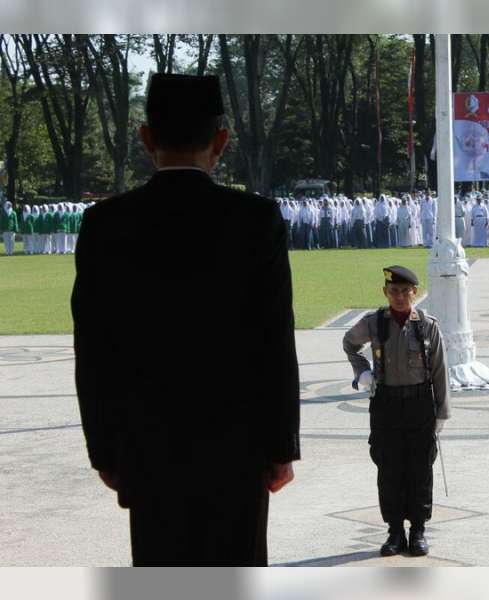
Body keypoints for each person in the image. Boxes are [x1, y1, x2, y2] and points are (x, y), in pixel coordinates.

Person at [71, 74, 300, 566]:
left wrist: (105, 452)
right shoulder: (255, 220)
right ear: (221, 141)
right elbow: (274, 343)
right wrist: (282, 446)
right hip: (236, 447)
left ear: (145, 138)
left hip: (148, 445)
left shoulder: (106, 225)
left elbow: (93, 351)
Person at [342, 265, 450, 558]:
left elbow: (440, 371)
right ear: (385, 292)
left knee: (419, 469)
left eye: (405, 291)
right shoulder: (374, 323)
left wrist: (441, 413)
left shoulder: (427, 325)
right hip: (386, 405)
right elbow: (350, 344)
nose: (400, 297)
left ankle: (417, 530)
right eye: (394, 291)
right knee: (388, 469)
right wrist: (362, 371)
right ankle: (394, 531)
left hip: (419, 405)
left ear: (415, 292)